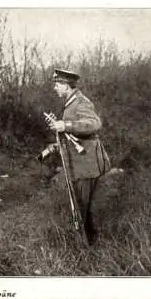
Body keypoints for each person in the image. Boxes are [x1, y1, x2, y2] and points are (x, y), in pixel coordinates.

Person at [46, 68, 111, 245]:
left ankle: (86, 247)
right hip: (78, 165)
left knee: (81, 207)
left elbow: (94, 124)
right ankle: (89, 244)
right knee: (82, 207)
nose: (55, 88)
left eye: (57, 84)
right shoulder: (70, 102)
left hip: (86, 166)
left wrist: (66, 125)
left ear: (67, 85)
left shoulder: (81, 102)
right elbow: (72, 135)